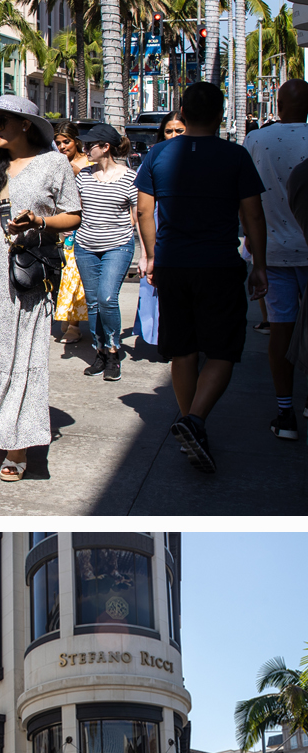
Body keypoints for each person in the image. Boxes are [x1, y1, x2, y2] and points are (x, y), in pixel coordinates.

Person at [137, 81, 269, 472]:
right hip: (218, 265)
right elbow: (253, 216)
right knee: (223, 349)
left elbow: (145, 212)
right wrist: (259, 263)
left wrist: (151, 256)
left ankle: (188, 420)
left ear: (183, 111)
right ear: (219, 113)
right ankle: (194, 420)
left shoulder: (158, 154)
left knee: (183, 349)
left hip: (174, 264)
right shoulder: (235, 156)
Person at [0, 94, 82, 481]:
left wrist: (39, 223)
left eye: (1, 122)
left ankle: (17, 447)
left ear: (25, 124)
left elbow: (73, 215)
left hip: (24, 279)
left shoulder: (53, 163)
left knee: (21, 361)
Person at [243, 77, 308, 442]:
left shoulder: (256, 140)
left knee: (280, 330)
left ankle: (285, 412)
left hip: (273, 251)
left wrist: (251, 240)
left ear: (278, 105)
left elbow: (247, 197)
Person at [71, 123, 141, 381]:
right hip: (86, 246)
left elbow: (138, 216)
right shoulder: (84, 175)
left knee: (107, 298)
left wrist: (146, 254)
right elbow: (76, 210)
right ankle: (99, 351)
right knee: (92, 302)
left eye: (90, 145)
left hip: (118, 246)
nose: (85, 149)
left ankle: (113, 352)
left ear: (106, 147)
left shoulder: (130, 178)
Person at [52, 122, 91, 345]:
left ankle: (74, 326)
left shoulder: (87, 164)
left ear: (76, 141)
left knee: (74, 276)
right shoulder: (58, 163)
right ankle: (68, 317)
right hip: (62, 225)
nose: (62, 147)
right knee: (65, 275)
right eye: (58, 143)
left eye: (66, 142)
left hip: (84, 226)